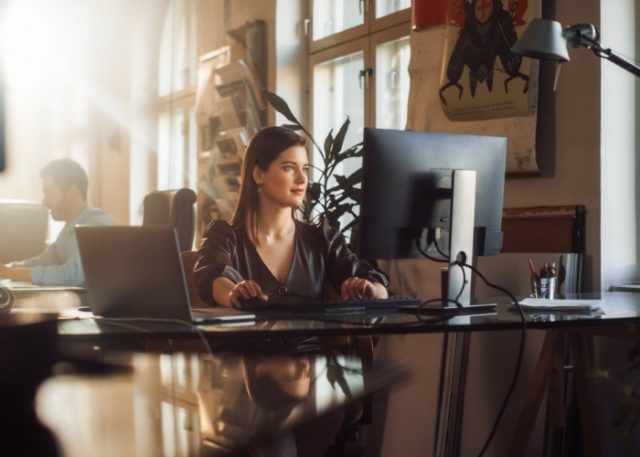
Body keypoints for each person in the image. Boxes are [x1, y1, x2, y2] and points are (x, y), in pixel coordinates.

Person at [194, 126, 388, 309]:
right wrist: (233, 293)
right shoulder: (223, 236)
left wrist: (371, 290)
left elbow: (378, 286)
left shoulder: (322, 239)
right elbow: (212, 276)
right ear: (258, 174)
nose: (303, 179)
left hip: (311, 346)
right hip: (243, 344)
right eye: (289, 168)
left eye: (304, 169)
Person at [0, 158, 114, 286]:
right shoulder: (67, 233)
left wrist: (10, 273)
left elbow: (72, 275)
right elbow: (43, 261)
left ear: (72, 192)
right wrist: (7, 268)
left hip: (97, 306)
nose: (44, 203)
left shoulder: (97, 224)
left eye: (49, 194)